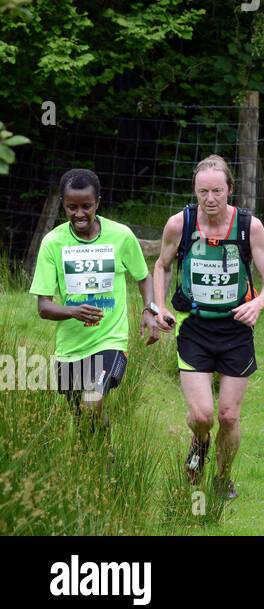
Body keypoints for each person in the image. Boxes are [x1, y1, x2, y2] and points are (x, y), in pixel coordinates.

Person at [154, 155, 264, 500]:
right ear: (195, 191)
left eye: (217, 191)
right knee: (201, 415)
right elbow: (162, 266)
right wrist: (159, 306)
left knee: (227, 415)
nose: (210, 199)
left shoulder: (248, 227)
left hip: (235, 330)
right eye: (202, 192)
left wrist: (257, 303)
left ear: (230, 189)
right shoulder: (180, 224)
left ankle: (223, 478)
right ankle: (198, 443)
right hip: (193, 327)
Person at [29, 168, 164, 427]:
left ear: (98, 203)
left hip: (110, 340)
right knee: (82, 421)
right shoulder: (52, 242)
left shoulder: (121, 236)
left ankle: (101, 458)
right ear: (63, 206)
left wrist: (149, 309)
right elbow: (43, 307)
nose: (79, 214)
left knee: (91, 399)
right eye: (72, 207)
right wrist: (73, 311)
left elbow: (143, 276)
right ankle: (105, 459)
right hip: (70, 348)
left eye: (86, 206)